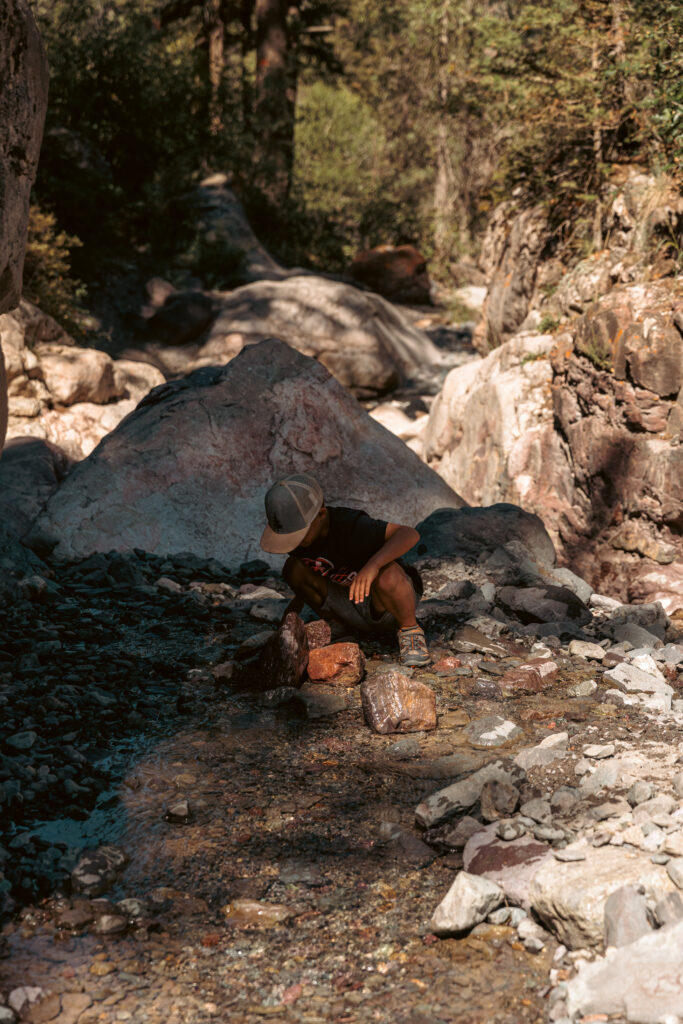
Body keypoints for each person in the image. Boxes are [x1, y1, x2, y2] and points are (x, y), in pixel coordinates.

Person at [259, 473, 431, 667]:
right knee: (293, 569)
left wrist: (373, 565)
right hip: (347, 603)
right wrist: (289, 622)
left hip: (387, 605)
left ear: (321, 515)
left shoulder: (350, 525)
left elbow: (409, 534)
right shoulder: (300, 544)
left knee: (388, 574)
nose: (295, 543)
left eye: (299, 535)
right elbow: (306, 576)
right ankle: (337, 625)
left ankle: (410, 632)